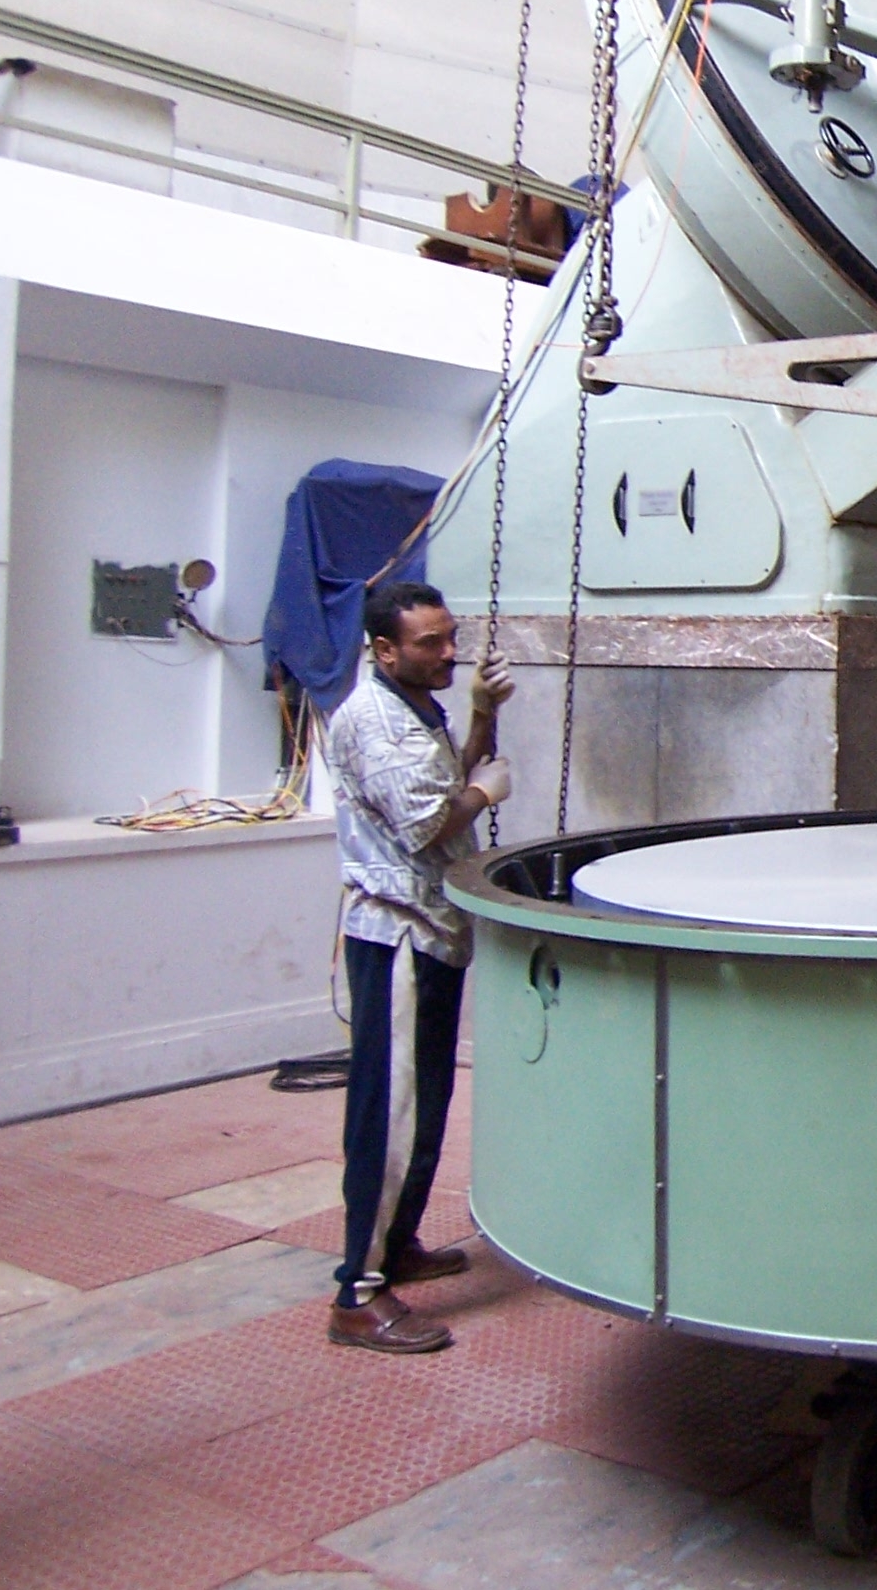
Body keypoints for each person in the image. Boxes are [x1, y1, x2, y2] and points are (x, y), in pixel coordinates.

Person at [320, 580, 515, 1353]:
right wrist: (483, 792)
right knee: (390, 1114)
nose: (448, 652)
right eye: (430, 643)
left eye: (450, 636)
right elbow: (430, 822)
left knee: (426, 1101)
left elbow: (438, 784)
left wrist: (480, 717)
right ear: (384, 650)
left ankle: (397, 1246)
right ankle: (357, 1295)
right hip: (396, 936)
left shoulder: (414, 708)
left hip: (433, 931)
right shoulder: (374, 721)